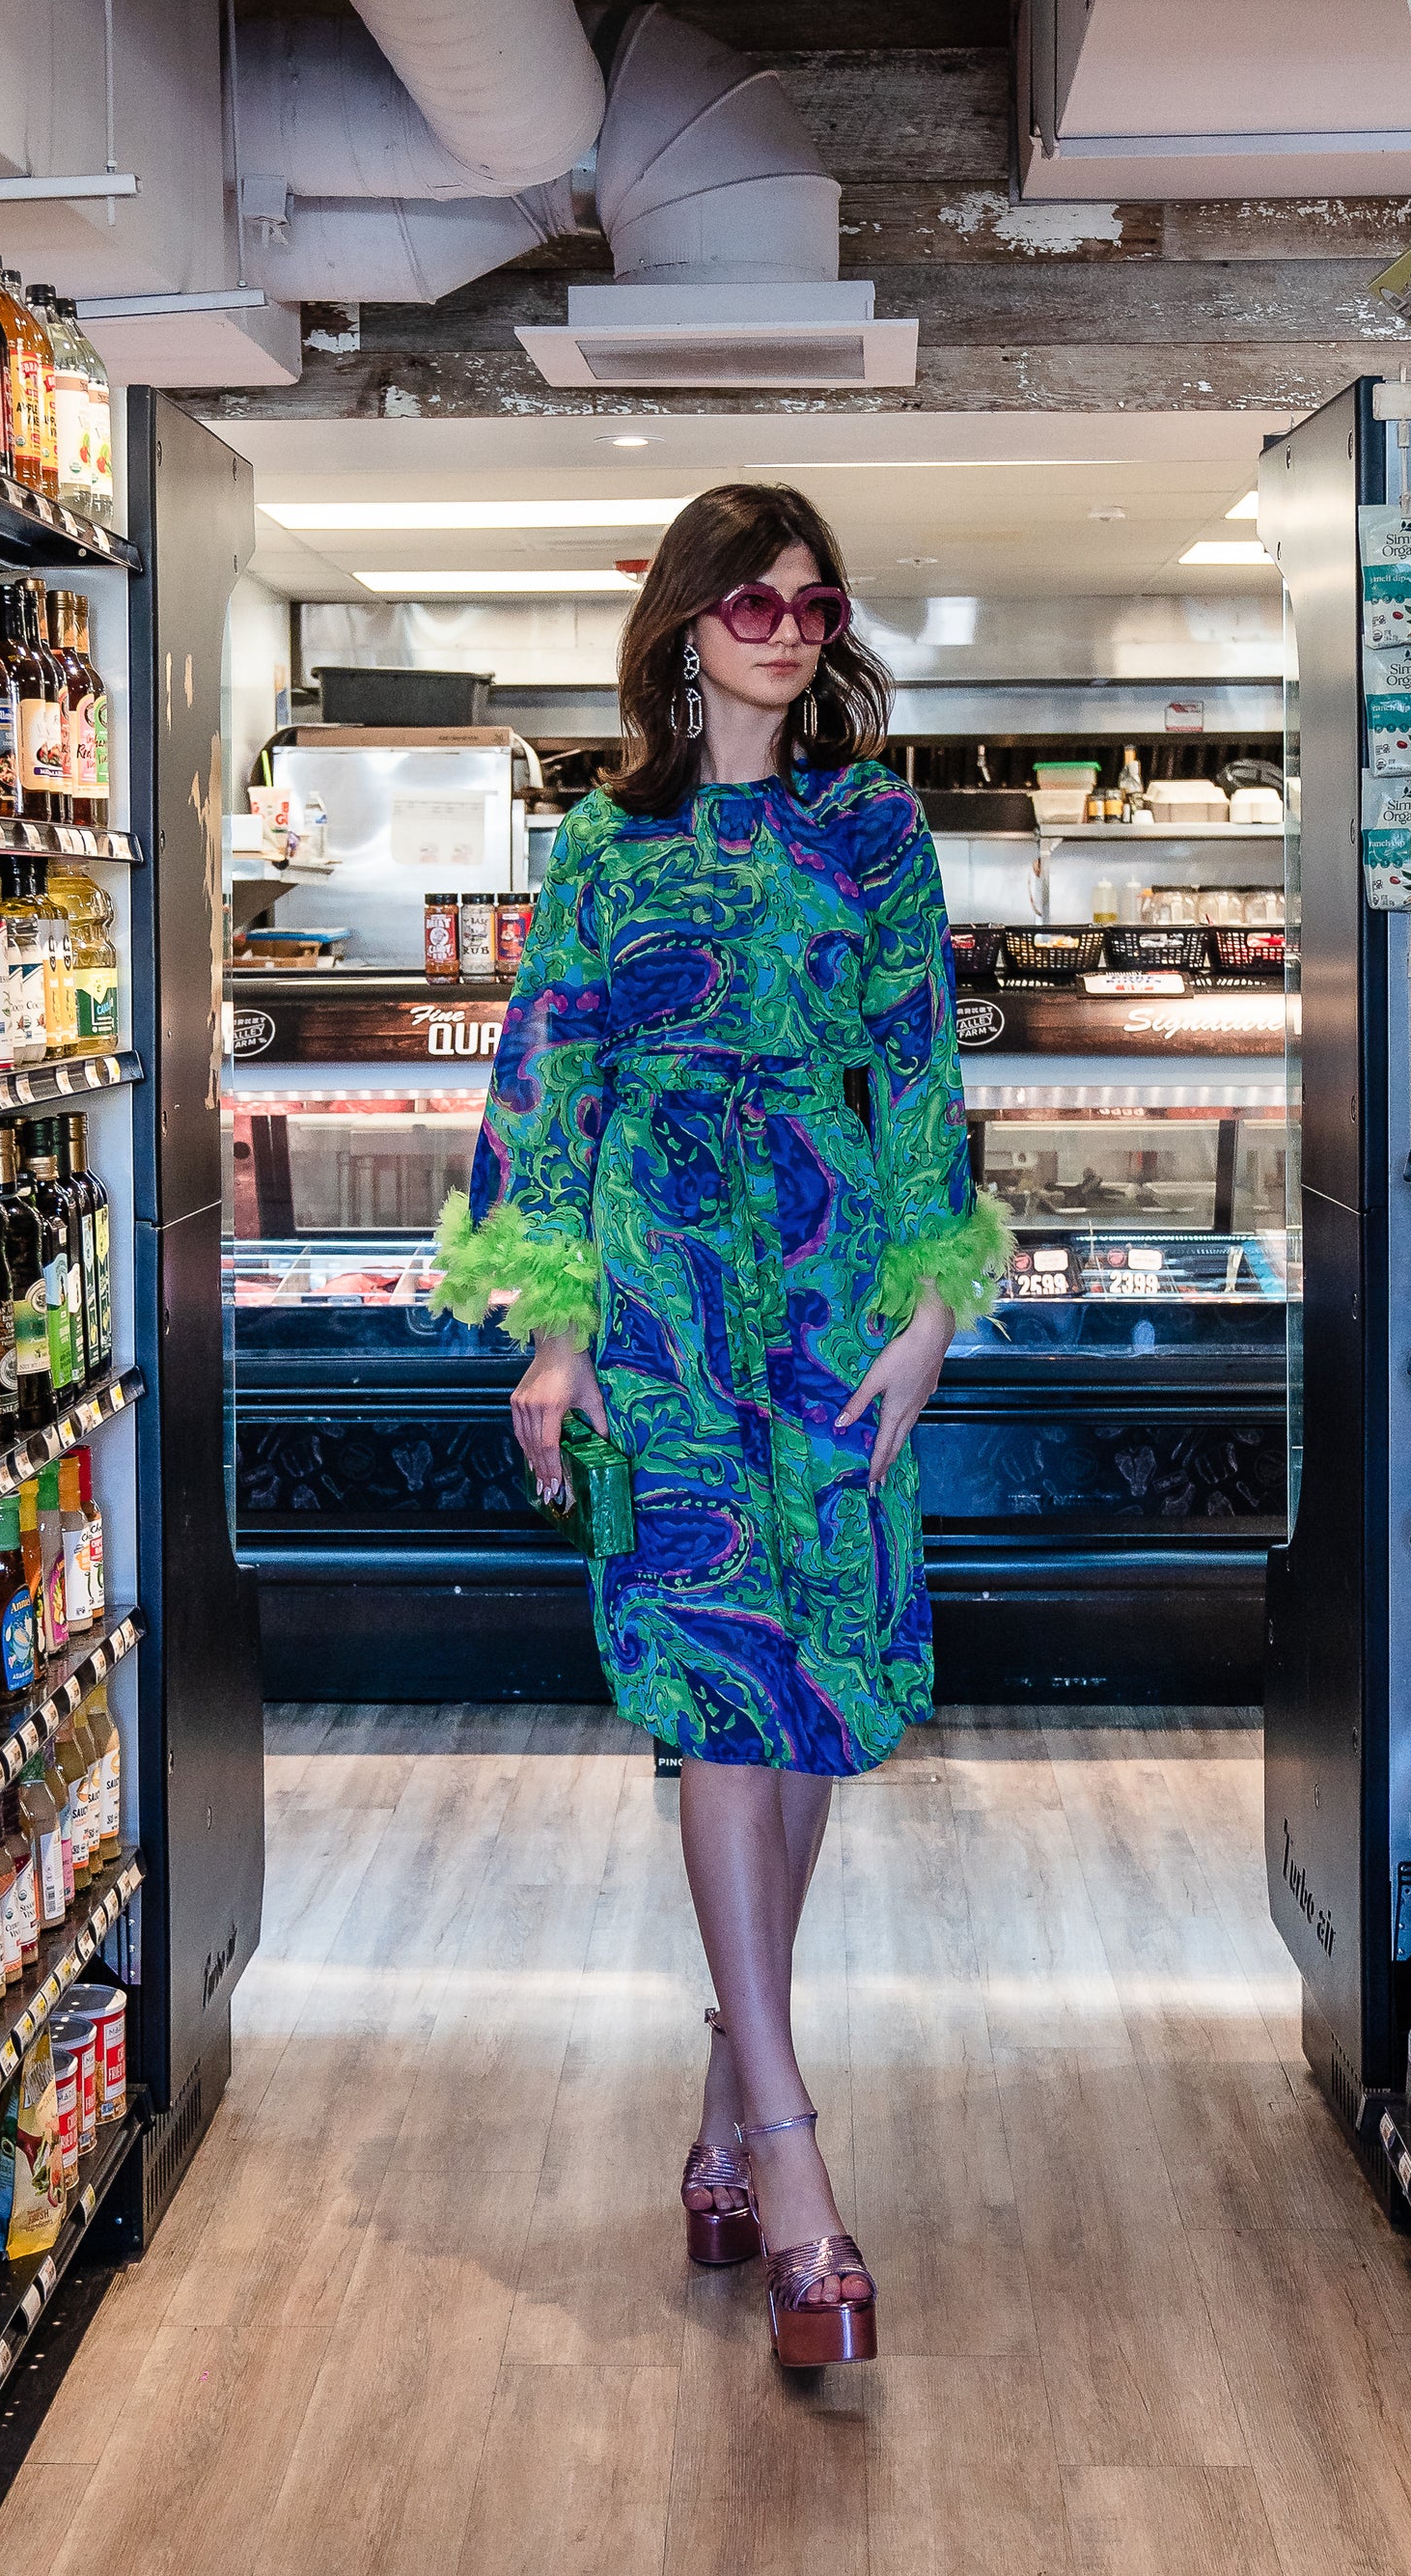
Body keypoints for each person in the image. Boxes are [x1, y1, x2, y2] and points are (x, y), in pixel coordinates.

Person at [433, 482, 1009, 2367]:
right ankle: (790, 2161)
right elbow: (545, 1088)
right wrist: (552, 1333)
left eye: (812, 601)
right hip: (664, 1303)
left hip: (839, 1295)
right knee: (716, 1690)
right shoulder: (604, 844)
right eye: (751, 599)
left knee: (811, 1690)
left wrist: (934, 1308)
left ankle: (718, 2102)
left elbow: (921, 1072)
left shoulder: (875, 824)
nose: (784, 627)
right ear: (684, 620)